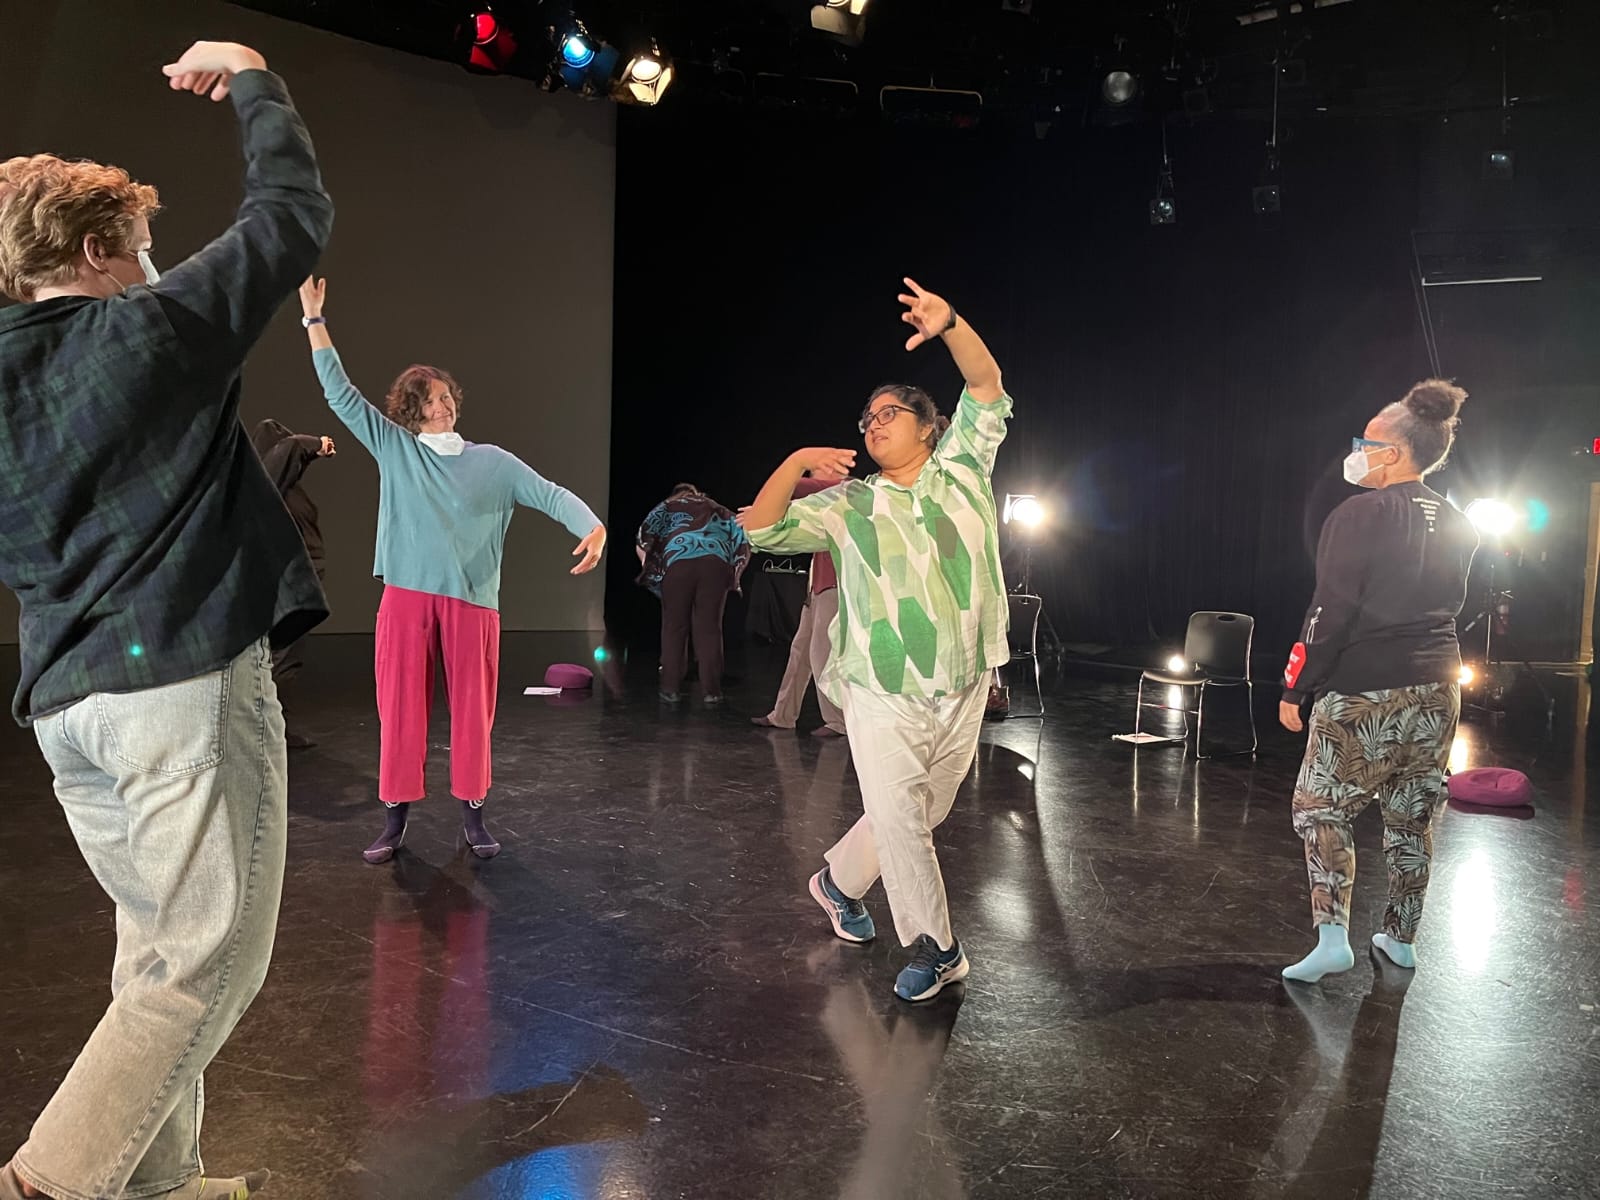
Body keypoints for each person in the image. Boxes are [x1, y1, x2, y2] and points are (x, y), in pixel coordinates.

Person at [0, 41, 333, 1200]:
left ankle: (158, 1181)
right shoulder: (147, 333)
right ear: (97, 252)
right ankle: (53, 1180)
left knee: (154, 950)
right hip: (179, 685)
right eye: (140, 252)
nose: (153, 271)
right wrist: (251, 78)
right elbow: (291, 213)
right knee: (212, 960)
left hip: (65, 713)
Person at [742, 278, 1011, 1002]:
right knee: (902, 818)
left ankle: (837, 881)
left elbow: (985, 381)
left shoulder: (963, 468)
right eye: (866, 417)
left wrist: (951, 322)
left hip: (962, 680)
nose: (873, 422)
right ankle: (937, 946)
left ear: (930, 427)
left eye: (890, 412)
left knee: (922, 812)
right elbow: (758, 528)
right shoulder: (847, 503)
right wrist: (799, 460)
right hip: (879, 686)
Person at [296, 277, 606, 865]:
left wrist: (592, 526)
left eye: (447, 398)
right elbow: (340, 394)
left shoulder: (492, 463)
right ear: (412, 411)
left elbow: (550, 493)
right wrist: (315, 321)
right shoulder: (397, 449)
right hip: (407, 600)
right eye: (430, 400)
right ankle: (395, 822)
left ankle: (473, 816)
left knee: (473, 712)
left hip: (472, 603)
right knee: (401, 710)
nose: (442, 407)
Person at [1279, 379, 1479, 983]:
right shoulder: (1460, 520)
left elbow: (1330, 610)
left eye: (1365, 441)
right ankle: (1401, 936)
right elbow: (1455, 603)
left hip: (1366, 688)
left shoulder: (1360, 512)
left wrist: (1298, 685)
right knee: (1411, 814)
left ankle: (1332, 936)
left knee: (1319, 806)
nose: (1357, 451)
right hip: (1439, 685)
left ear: (1392, 452)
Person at [251, 418, 337, 748]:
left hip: (301, 579)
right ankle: (268, 732)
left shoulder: (284, 486)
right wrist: (316, 443)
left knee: (286, 657)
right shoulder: (266, 481)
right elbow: (288, 451)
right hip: (287, 582)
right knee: (281, 656)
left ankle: (274, 728)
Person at [750, 469, 850, 738]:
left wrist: (790, 475)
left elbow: (807, 487)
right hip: (818, 588)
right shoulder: (825, 504)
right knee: (800, 652)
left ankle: (839, 721)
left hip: (836, 587)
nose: (818, 473)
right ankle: (783, 715)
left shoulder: (848, 489)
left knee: (822, 653)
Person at [636, 483, 751, 704]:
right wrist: (736, 569)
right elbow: (742, 532)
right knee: (709, 629)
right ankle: (712, 691)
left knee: (674, 627)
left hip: (678, 562)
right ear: (697, 494)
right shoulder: (714, 506)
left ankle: (670, 688)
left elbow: (643, 536)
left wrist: (653, 569)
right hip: (715, 564)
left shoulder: (668, 506)